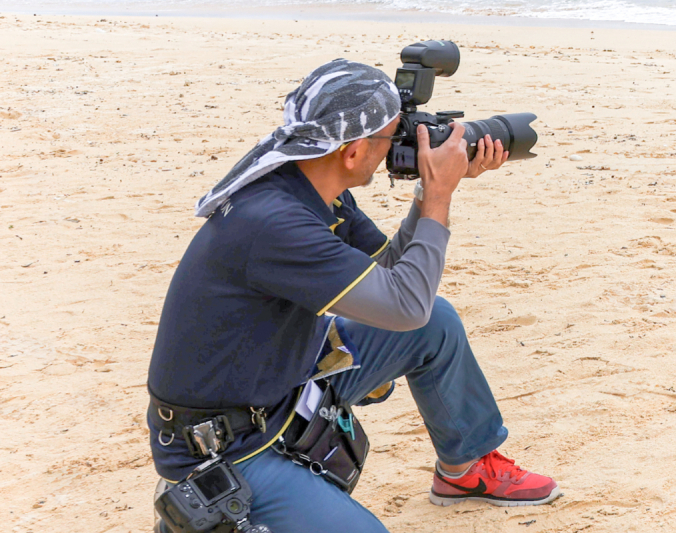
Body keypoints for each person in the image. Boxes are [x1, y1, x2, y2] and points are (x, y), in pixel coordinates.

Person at [147, 59, 561, 533]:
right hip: (234, 444)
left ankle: (464, 470)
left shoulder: (315, 189)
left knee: (434, 323)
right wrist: (440, 197)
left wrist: (431, 193)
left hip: (285, 382)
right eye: (391, 138)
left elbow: (391, 280)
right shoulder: (274, 223)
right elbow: (402, 306)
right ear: (352, 150)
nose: (396, 149)